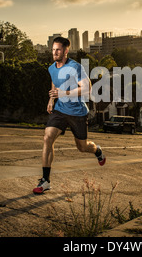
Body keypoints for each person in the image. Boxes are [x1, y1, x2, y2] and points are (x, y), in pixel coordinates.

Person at [33, 36, 106, 194]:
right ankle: (45, 180)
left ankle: (97, 151)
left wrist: (64, 92)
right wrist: (51, 100)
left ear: (66, 51)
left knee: (82, 147)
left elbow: (87, 89)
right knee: (48, 137)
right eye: (53, 49)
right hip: (59, 110)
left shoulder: (76, 67)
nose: (54, 52)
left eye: (58, 50)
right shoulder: (52, 68)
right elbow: (54, 83)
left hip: (77, 113)